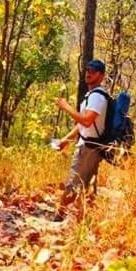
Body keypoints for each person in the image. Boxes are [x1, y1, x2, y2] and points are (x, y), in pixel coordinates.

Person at [54, 58, 109, 201]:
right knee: (83, 190)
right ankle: (79, 219)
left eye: (93, 71)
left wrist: (66, 107)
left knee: (72, 186)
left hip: (88, 149)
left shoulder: (97, 96)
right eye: (88, 69)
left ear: (101, 76)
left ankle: (58, 218)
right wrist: (66, 140)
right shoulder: (91, 95)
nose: (88, 73)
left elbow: (86, 121)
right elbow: (81, 125)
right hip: (86, 146)